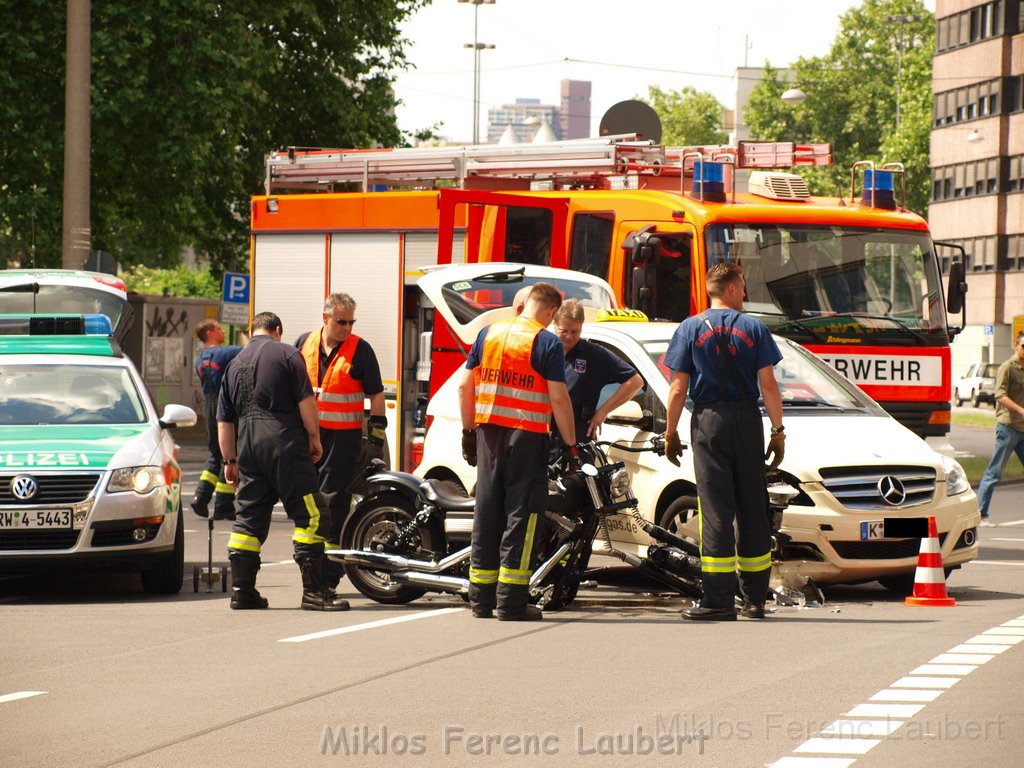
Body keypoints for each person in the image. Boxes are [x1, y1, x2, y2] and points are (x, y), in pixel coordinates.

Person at [663, 263, 785, 621]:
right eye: (743, 287)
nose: (745, 294)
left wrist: (670, 433)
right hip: (747, 419)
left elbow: (677, 388)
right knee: (753, 506)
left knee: (716, 510)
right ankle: (754, 600)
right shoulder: (754, 328)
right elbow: (769, 385)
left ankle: (717, 599)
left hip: (709, 421)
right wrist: (778, 431)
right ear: (730, 289)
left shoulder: (689, 328)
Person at [458, 283, 577, 621]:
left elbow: (466, 385)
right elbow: (558, 399)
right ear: (552, 312)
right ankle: (510, 602)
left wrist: (468, 431)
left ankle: (481, 599)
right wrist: (570, 445)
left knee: (487, 512)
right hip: (527, 439)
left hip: (488, 435)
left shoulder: (488, 334)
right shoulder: (546, 341)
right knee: (522, 517)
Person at [218, 312, 349, 612]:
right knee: (313, 515)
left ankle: (242, 591)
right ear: (278, 330)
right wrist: (314, 438)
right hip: (283, 442)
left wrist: (229, 460)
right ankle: (315, 592)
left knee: (248, 519)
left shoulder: (233, 365)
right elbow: (305, 401)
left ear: (251, 332)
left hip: (247, 446)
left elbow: (224, 421)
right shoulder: (288, 353)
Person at [295, 293, 386, 590]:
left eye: (351, 321)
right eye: (341, 321)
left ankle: (329, 573)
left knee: (334, 502)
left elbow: (376, 394)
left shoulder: (361, 350)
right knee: (308, 500)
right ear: (326, 318)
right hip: (307, 435)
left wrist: (375, 438)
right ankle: (310, 564)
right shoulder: (303, 343)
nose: (347, 327)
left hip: (342, 441)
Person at [552, 298, 643, 442]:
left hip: (578, 436)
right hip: (546, 436)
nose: (569, 336)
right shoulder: (545, 350)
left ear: (581, 326)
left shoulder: (593, 354)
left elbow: (635, 382)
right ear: (554, 324)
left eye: (574, 331)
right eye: (564, 331)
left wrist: (602, 412)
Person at [191, 319, 243, 520]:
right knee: (229, 454)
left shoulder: (200, 359)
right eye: (219, 329)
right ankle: (223, 505)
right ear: (210, 333)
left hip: (208, 405)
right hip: (224, 406)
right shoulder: (225, 353)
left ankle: (201, 497)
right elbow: (250, 349)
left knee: (215, 453)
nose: (222, 331)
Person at [975, 332, 1024, 527]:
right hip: (1008, 428)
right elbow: (1000, 396)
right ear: (1016, 346)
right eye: (1023, 346)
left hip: (1022, 430)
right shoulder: (1007, 368)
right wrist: (1020, 409)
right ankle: (981, 514)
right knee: (994, 472)